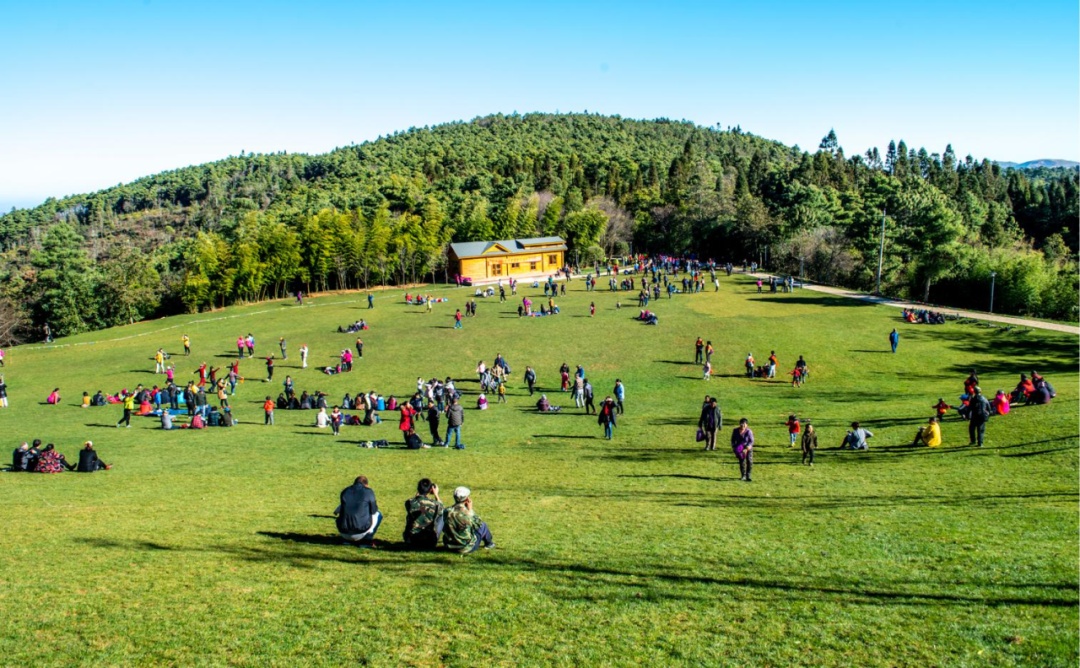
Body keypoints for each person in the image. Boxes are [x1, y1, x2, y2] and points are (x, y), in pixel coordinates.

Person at [442, 486, 495, 553]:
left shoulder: (446, 511)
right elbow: (478, 524)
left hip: (449, 545)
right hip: (465, 547)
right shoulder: (467, 513)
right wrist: (470, 509)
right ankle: (489, 544)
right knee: (483, 526)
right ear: (467, 499)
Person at [335, 475, 382, 547]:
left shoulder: (345, 491)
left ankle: (347, 541)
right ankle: (366, 541)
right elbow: (374, 510)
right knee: (378, 514)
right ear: (366, 484)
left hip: (343, 532)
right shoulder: (368, 492)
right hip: (361, 532)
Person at [403, 479, 445, 549]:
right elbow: (442, 509)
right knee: (442, 516)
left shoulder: (409, 502)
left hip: (410, 540)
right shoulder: (435, 504)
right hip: (428, 541)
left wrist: (419, 491)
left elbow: (414, 500)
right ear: (430, 490)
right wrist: (436, 495)